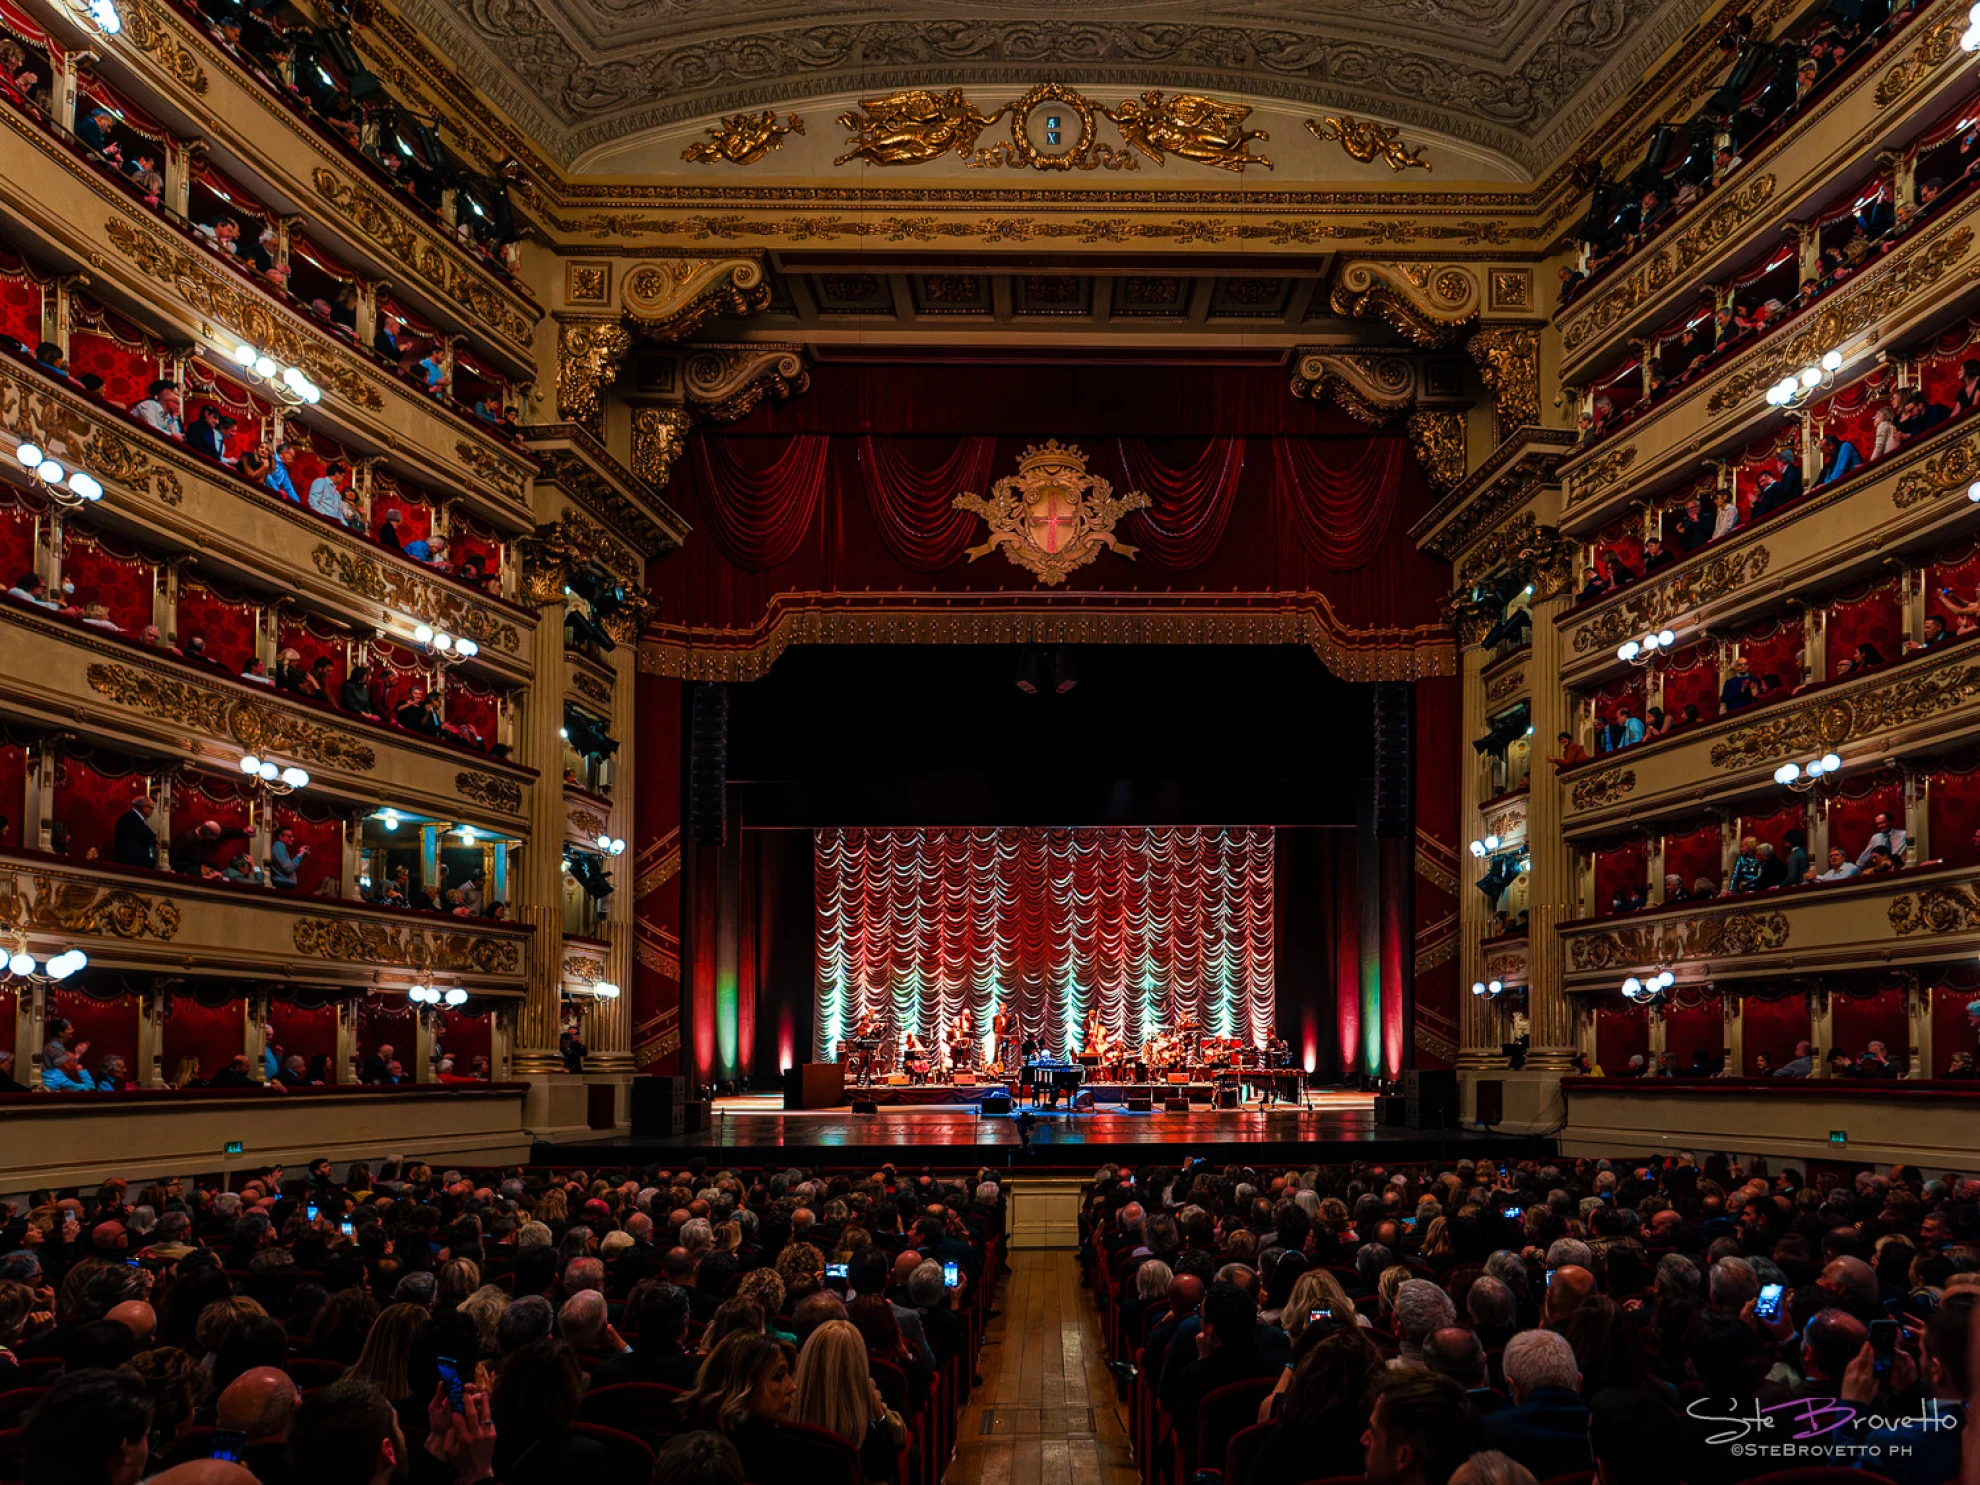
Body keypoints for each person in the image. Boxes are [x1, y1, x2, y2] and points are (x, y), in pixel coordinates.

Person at [791, 1319, 905, 1482]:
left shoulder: (785, 1424)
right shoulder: (866, 1437)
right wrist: (880, 1415)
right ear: (857, 1367)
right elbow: (889, 1468)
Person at [114, 796, 158, 869]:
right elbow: (144, 835)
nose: (152, 811)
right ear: (144, 807)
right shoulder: (130, 818)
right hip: (132, 864)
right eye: (151, 808)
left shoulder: (137, 819)